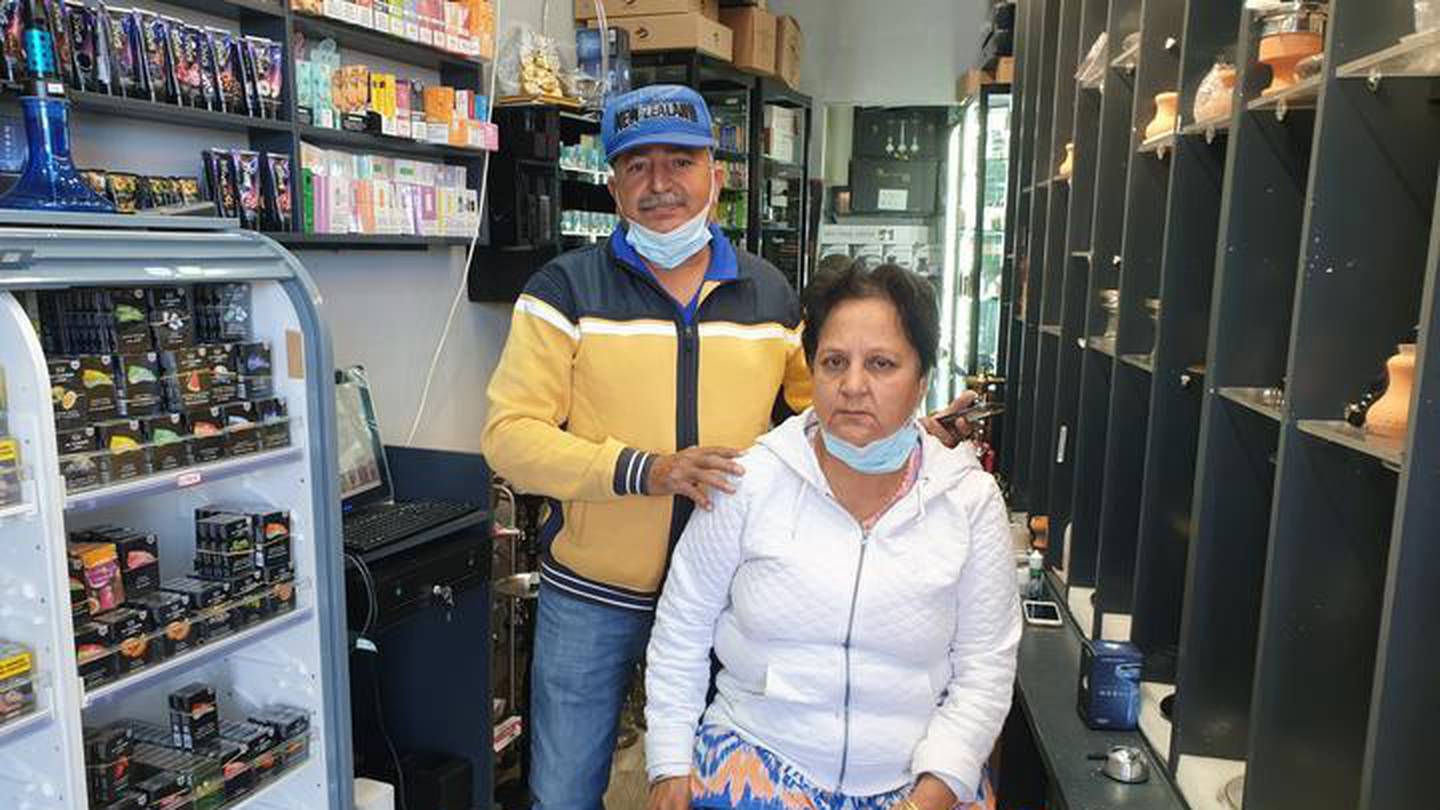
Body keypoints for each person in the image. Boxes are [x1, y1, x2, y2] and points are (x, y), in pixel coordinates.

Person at [482, 86, 976, 809]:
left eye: (680, 161)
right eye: (637, 166)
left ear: (716, 175)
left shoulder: (770, 296)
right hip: (593, 593)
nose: (659, 185)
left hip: (734, 597)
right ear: (612, 182)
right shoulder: (563, 290)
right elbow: (509, 439)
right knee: (562, 790)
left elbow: (826, 420)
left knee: (711, 785)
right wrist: (642, 470)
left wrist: (913, 437)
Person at [643, 261, 1020, 810]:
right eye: (834, 362)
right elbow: (682, 628)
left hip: (918, 778)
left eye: (882, 364)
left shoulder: (968, 501)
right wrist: (669, 767)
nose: (853, 386)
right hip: (757, 762)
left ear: (921, 380)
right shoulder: (748, 482)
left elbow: (985, 668)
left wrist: (930, 795)